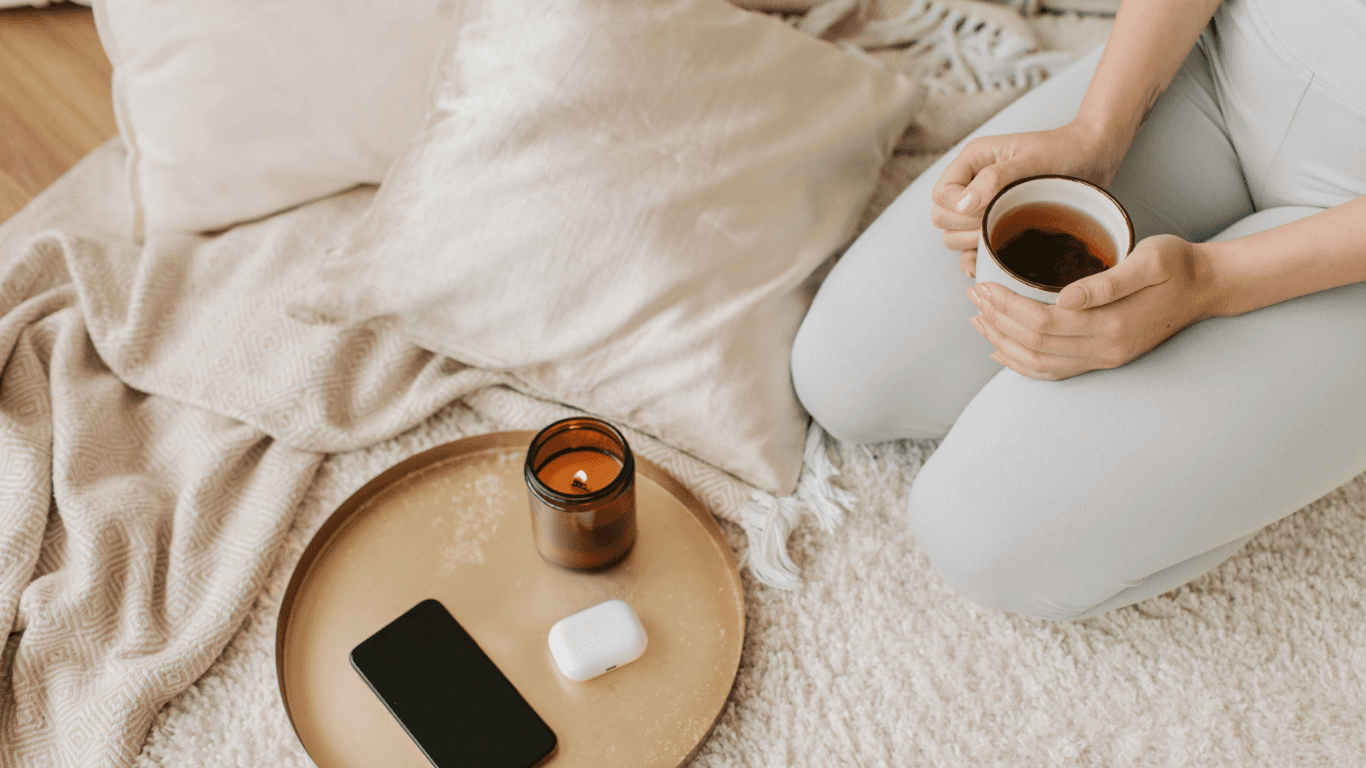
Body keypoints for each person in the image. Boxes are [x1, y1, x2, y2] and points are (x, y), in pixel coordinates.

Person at [789, 0, 1366, 621]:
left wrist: (1210, 283)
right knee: (843, 373)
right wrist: (1095, 131)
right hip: (1221, 63)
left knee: (978, 534)